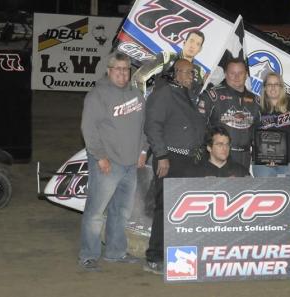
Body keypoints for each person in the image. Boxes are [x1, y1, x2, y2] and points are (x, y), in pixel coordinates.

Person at [78, 52, 148, 271]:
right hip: (108, 163)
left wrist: (143, 151)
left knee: (122, 212)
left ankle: (115, 252)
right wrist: (100, 157)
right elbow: (88, 129)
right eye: (117, 69)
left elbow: (143, 127)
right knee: (96, 212)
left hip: (130, 164)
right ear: (109, 71)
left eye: (126, 69)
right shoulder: (97, 95)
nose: (122, 73)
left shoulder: (137, 95)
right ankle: (88, 255)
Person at [143, 59, 206, 274]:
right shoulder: (165, 93)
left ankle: (179, 255)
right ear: (176, 73)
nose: (191, 76)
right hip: (170, 160)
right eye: (188, 73)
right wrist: (161, 155)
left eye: (193, 73)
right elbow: (152, 125)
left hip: (191, 160)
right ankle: (154, 256)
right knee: (164, 208)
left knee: (184, 211)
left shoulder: (192, 95)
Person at [198, 58, 260, 169]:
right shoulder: (212, 96)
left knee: (241, 186)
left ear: (246, 74)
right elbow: (198, 126)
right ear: (225, 74)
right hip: (217, 157)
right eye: (232, 73)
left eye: (240, 73)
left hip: (244, 157)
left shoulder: (256, 100)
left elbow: (259, 131)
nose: (236, 77)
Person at [252, 72, 290, 177]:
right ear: (264, 88)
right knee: (266, 193)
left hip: (289, 164)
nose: (273, 87)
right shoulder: (256, 108)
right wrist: (265, 157)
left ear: (281, 87)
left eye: (276, 84)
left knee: (288, 193)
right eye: (269, 84)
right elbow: (251, 135)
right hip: (263, 165)